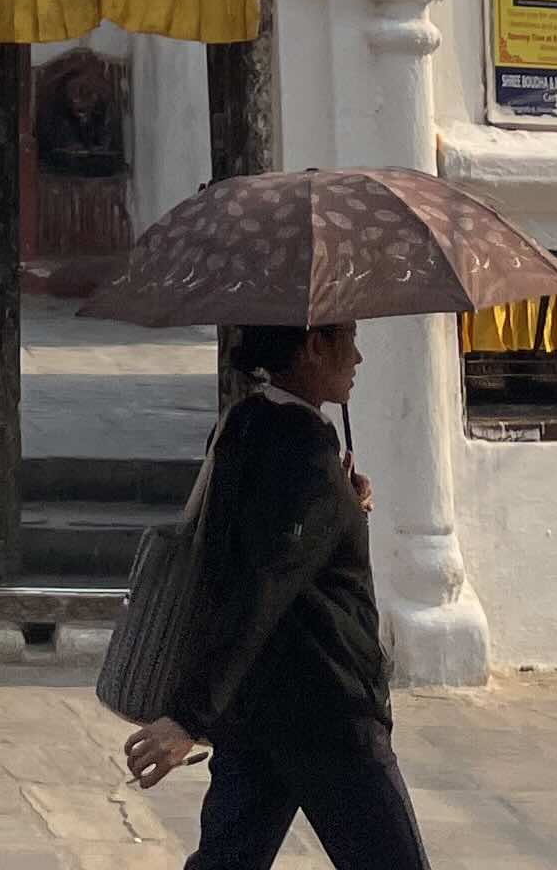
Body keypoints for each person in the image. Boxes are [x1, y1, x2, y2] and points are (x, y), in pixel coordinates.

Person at [120, 319, 429, 870]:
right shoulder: (305, 454)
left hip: (255, 706)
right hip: (325, 705)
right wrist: (188, 718)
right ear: (313, 347)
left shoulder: (244, 424)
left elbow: (267, 550)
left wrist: (343, 505)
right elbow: (262, 587)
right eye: (347, 340)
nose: (357, 358)